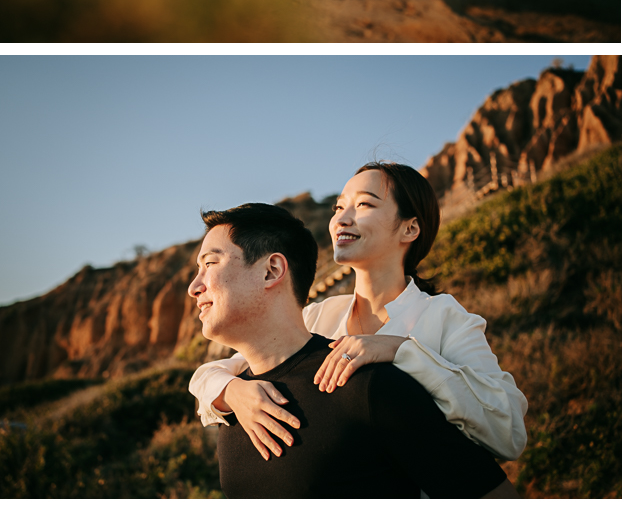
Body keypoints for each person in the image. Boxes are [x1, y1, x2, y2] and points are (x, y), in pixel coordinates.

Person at [189, 163, 527, 466]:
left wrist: (401, 351)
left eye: (363, 204)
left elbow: (508, 434)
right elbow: (211, 373)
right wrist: (232, 391)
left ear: (410, 229)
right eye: (339, 207)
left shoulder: (446, 318)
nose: (341, 219)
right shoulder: (318, 316)